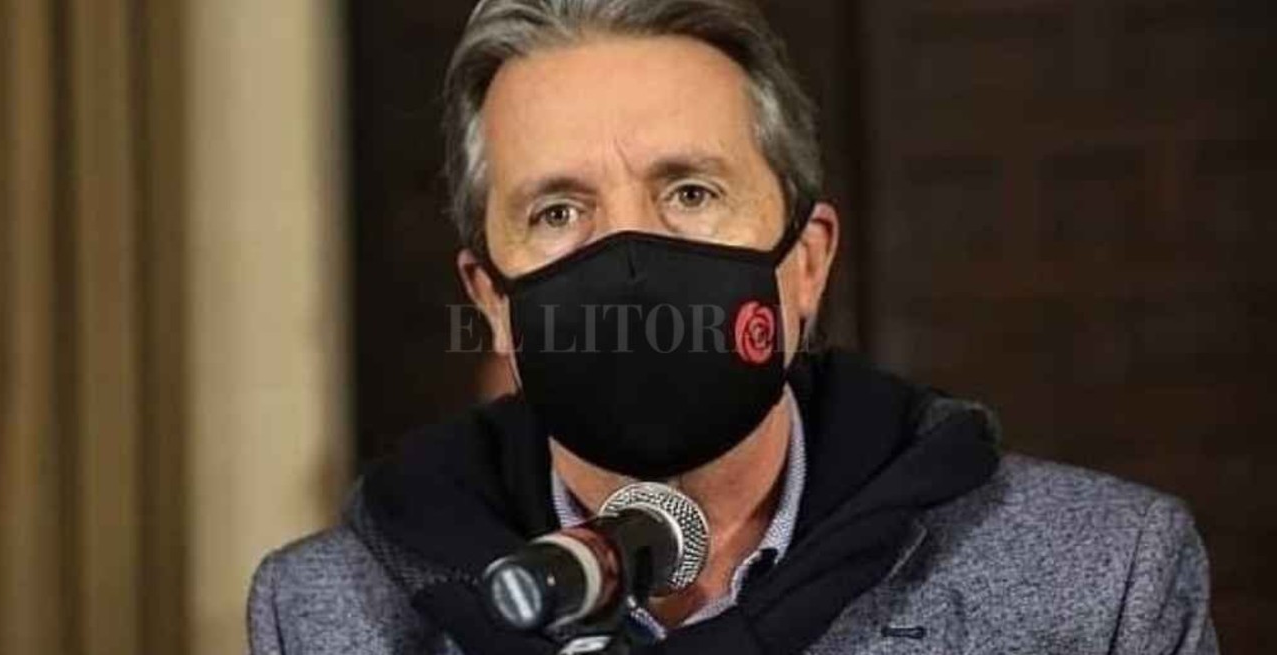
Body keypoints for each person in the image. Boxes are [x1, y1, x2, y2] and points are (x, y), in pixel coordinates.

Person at [247, 1, 1218, 653]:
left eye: (690, 192)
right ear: (492, 299)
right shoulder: (327, 614)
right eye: (557, 211)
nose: (627, 261)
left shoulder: (1101, 580)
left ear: (805, 264)